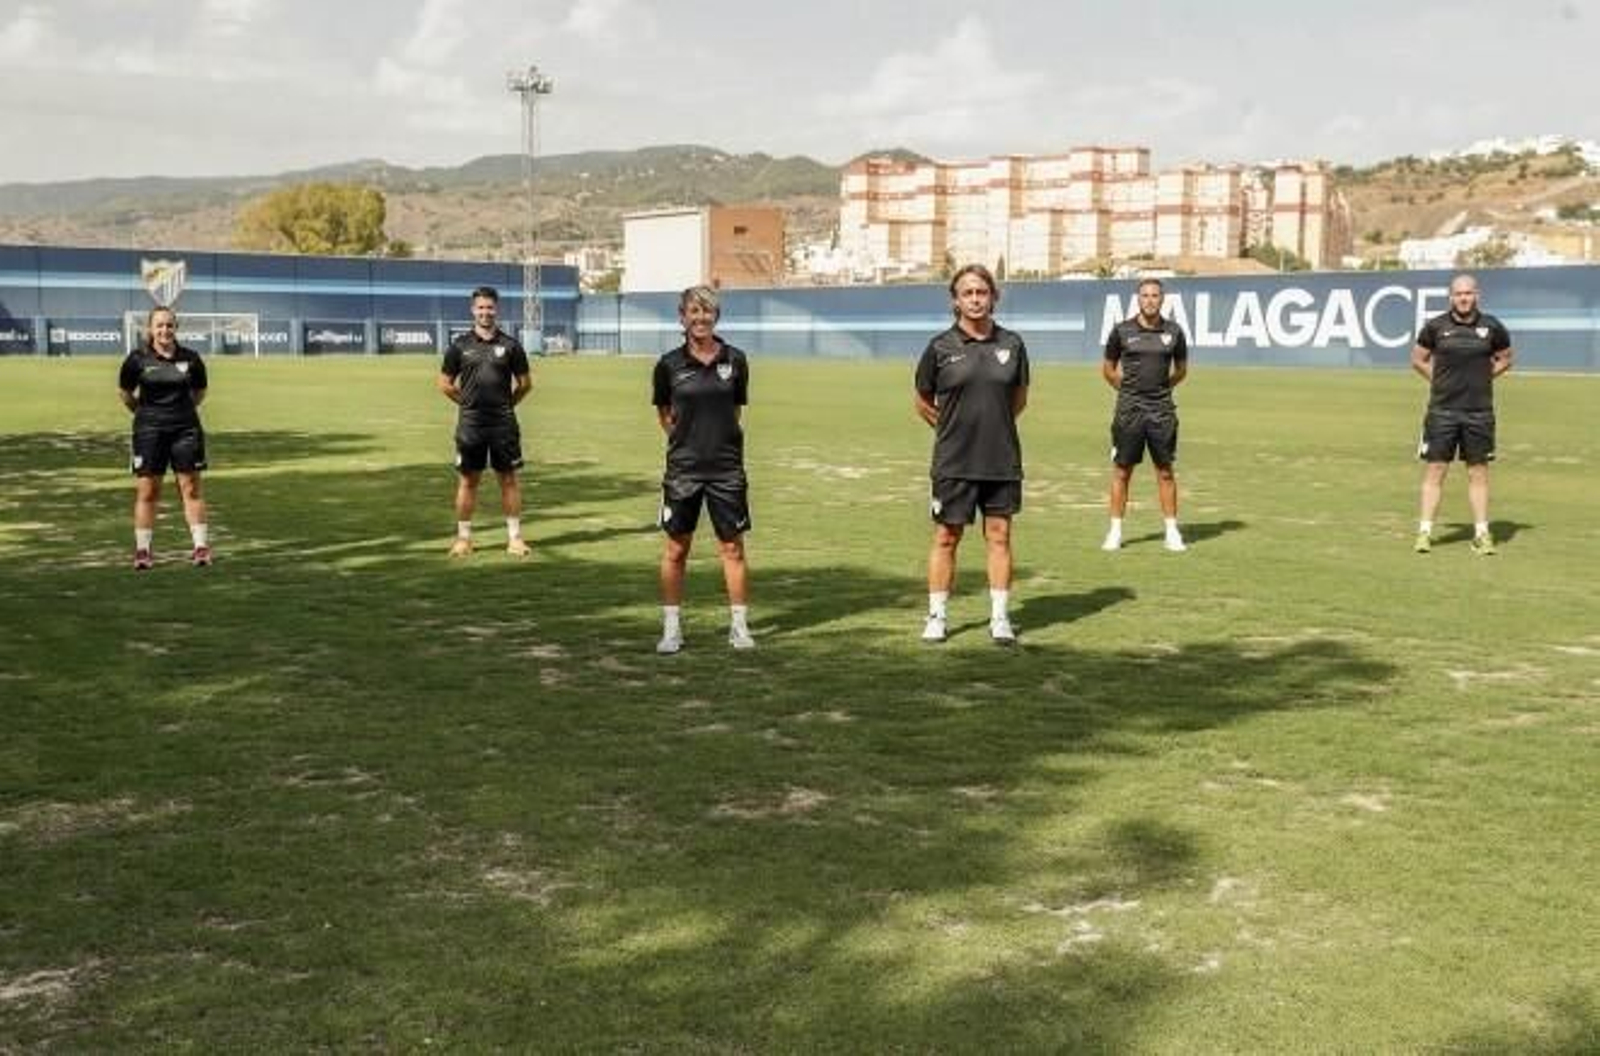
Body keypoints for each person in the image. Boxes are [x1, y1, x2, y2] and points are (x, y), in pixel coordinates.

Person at [914, 264, 1029, 645]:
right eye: (968, 293)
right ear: (956, 300)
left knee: (999, 536)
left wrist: (989, 426)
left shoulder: (1012, 345)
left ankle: (999, 618)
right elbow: (923, 401)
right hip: (954, 461)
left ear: (994, 297)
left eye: (982, 292)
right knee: (946, 536)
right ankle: (937, 616)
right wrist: (952, 429)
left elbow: (1018, 401)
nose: (976, 299)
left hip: (1001, 459)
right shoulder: (939, 347)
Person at [651, 285, 754, 654]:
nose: (700, 318)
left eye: (707, 311)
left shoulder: (736, 360)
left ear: (716, 317)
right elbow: (665, 414)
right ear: (682, 317)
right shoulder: (668, 365)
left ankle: (739, 627)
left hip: (727, 470)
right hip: (683, 472)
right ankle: (672, 629)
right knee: (676, 550)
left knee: (733, 549)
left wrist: (716, 441)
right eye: (694, 312)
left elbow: (735, 411)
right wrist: (686, 442)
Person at [1410, 273, 1514, 555]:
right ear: (1451, 297)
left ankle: (1482, 534)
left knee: (1478, 472)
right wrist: (1439, 381)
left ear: (1476, 295)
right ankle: (1424, 533)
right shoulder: (1435, 327)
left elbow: (1506, 358)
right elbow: (1418, 359)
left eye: (1468, 293)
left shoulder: (1492, 327)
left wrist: (1484, 377)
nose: (1463, 298)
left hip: (1478, 412)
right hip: (1442, 411)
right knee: (1436, 470)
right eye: (1458, 294)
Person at [437, 286, 533, 557]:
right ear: (473, 310)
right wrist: (466, 403)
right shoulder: (459, 346)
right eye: (480, 307)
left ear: (496, 309)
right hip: (471, 425)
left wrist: (507, 406)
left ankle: (515, 539)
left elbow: (525, 384)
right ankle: (463, 538)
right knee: (468, 481)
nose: (485, 312)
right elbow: (444, 384)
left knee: (509, 480)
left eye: (489, 307)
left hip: (503, 424)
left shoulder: (511, 345)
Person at [117, 305, 212, 569]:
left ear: (176, 328)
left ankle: (201, 548)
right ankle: (143, 551)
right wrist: (145, 413)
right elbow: (125, 392)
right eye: (159, 325)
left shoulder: (191, 358)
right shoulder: (137, 359)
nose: (164, 330)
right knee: (148, 490)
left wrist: (180, 413)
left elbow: (200, 392)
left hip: (186, 430)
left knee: (191, 488)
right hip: (149, 432)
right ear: (150, 328)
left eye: (169, 325)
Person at [1100, 276, 1189, 553]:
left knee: (1165, 471)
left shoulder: (1174, 332)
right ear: (1138, 299)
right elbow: (1108, 369)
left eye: (1155, 296)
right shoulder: (1122, 331)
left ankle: (1172, 531)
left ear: (1162, 300)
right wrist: (1128, 390)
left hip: (1162, 411)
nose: (1150, 300)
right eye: (1145, 296)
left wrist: (1161, 389)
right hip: (1129, 411)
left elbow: (1181, 370)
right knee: (1122, 471)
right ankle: (1115, 531)